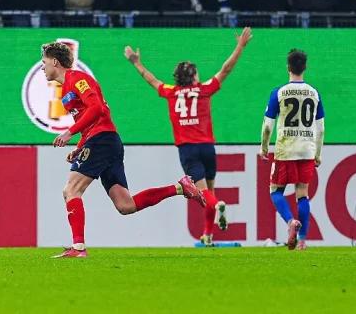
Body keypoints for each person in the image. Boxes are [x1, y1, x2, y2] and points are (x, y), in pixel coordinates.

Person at [44, 42, 206, 258]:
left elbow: (97, 108)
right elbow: (89, 117)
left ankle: (79, 248)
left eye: (44, 62)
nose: (42, 66)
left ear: (55, 61)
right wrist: (80, 146)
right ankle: (179, 187)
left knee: (71, 190)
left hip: (102, 140)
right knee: (125, 205)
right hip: (104, 141)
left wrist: (69, 132)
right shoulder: (66, 87)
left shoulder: (78, 79)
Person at [123, 27, 253, 246]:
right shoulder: (204, 89)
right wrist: (240, 45)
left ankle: (215, 211)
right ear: (193, 77)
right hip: (207, 146)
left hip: (187, 149)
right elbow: (226, 69)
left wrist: (136, 62)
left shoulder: (170, 92)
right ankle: (208, 234)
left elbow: (152, 80)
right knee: (209, 190)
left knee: (204, 195)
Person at [258, 49, 325, 251]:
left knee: (275, 191)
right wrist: (318, 154)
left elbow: (268, 126)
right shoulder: (314, 93)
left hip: (285, 150)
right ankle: (302, 241)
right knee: (302, 194)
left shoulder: (278, 93)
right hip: (306, 150)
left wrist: (264, 148)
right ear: (305, 67)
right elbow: (320, 128)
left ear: (288, 68)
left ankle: (290, 222)